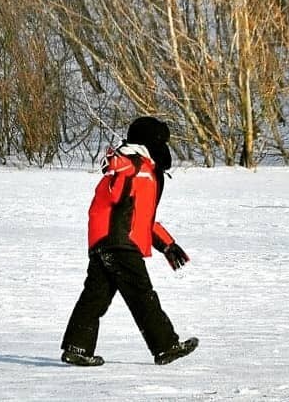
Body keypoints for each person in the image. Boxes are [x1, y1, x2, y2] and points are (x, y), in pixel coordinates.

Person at [60, 116, 198, 366]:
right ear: (149, 142)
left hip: (107, 240)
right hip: (118, 243)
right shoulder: (131, 165)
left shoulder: (146, 170)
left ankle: (77, 347)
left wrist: (167, 244)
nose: (165, 148)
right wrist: (120, 166)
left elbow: (142, 217)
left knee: (95, 296)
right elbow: (115, 196)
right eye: (161, 141)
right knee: (142, 295)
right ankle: (166, 346)